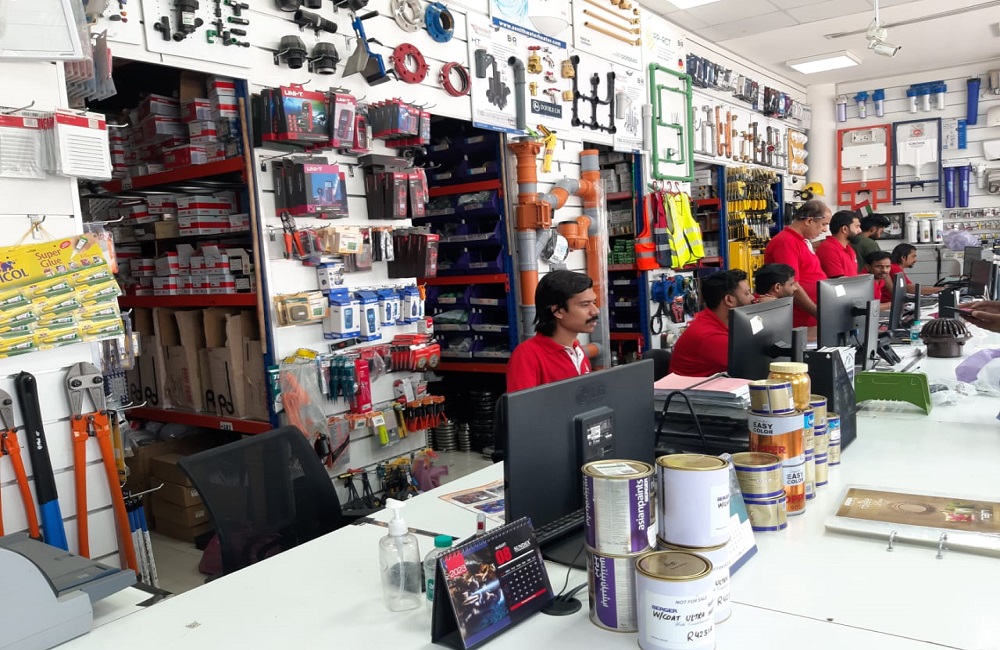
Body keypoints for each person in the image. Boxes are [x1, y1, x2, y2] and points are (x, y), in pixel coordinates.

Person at [506, 270, 597, 392]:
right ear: (558, 311)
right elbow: (522, 404)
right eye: (585, 305)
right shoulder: (526, 356)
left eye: (594, 303)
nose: (595, 311)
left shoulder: (577, 350)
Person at [669, 270, 754, 377]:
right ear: (729, 300)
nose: (753, 298)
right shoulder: (709, 336)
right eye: (747, 293)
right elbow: (754, 364)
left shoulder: (716, 320)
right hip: (694, 388)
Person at [763, 199, 831, 327]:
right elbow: (791, 285)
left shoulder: (802, 241)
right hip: (799, 320)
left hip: (810, 318)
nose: (825, 230)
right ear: (809, 221)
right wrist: (817, 313)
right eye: (823, 224)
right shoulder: (786, 242)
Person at [816, 210, 861, 278]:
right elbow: (838, 280)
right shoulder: (829, 248)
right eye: (857, 226)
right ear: (844, 229)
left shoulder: (849, 248)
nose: (860, 230)